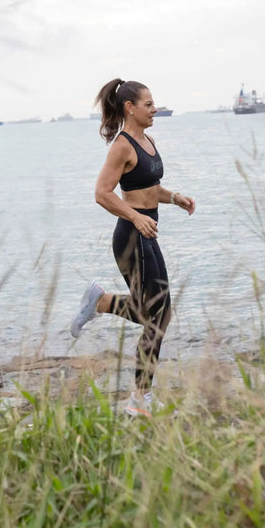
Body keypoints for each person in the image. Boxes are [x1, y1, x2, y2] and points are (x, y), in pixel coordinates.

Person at [70, 78, 195, 417]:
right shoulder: (122, 146)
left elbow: (150, 189)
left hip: (147, 234)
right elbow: (102, 193)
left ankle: (101, 302)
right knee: (158, 315)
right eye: (148, 104)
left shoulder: (148, 141)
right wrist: (136, 217)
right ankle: (139, 398)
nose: (155, 109)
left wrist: (175, 197)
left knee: (158, 312)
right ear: (130, 108)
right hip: (131, 236)